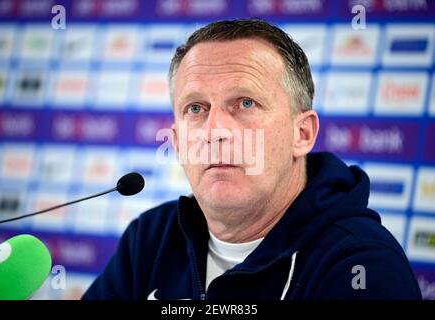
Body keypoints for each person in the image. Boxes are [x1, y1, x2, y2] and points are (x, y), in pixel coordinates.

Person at [83, 19, 422, 300]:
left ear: (301, 134)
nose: (215, 131)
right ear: (176, 140)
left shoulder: (360, 266)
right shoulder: (150, 239)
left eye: (245, 103)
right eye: (196, 108)